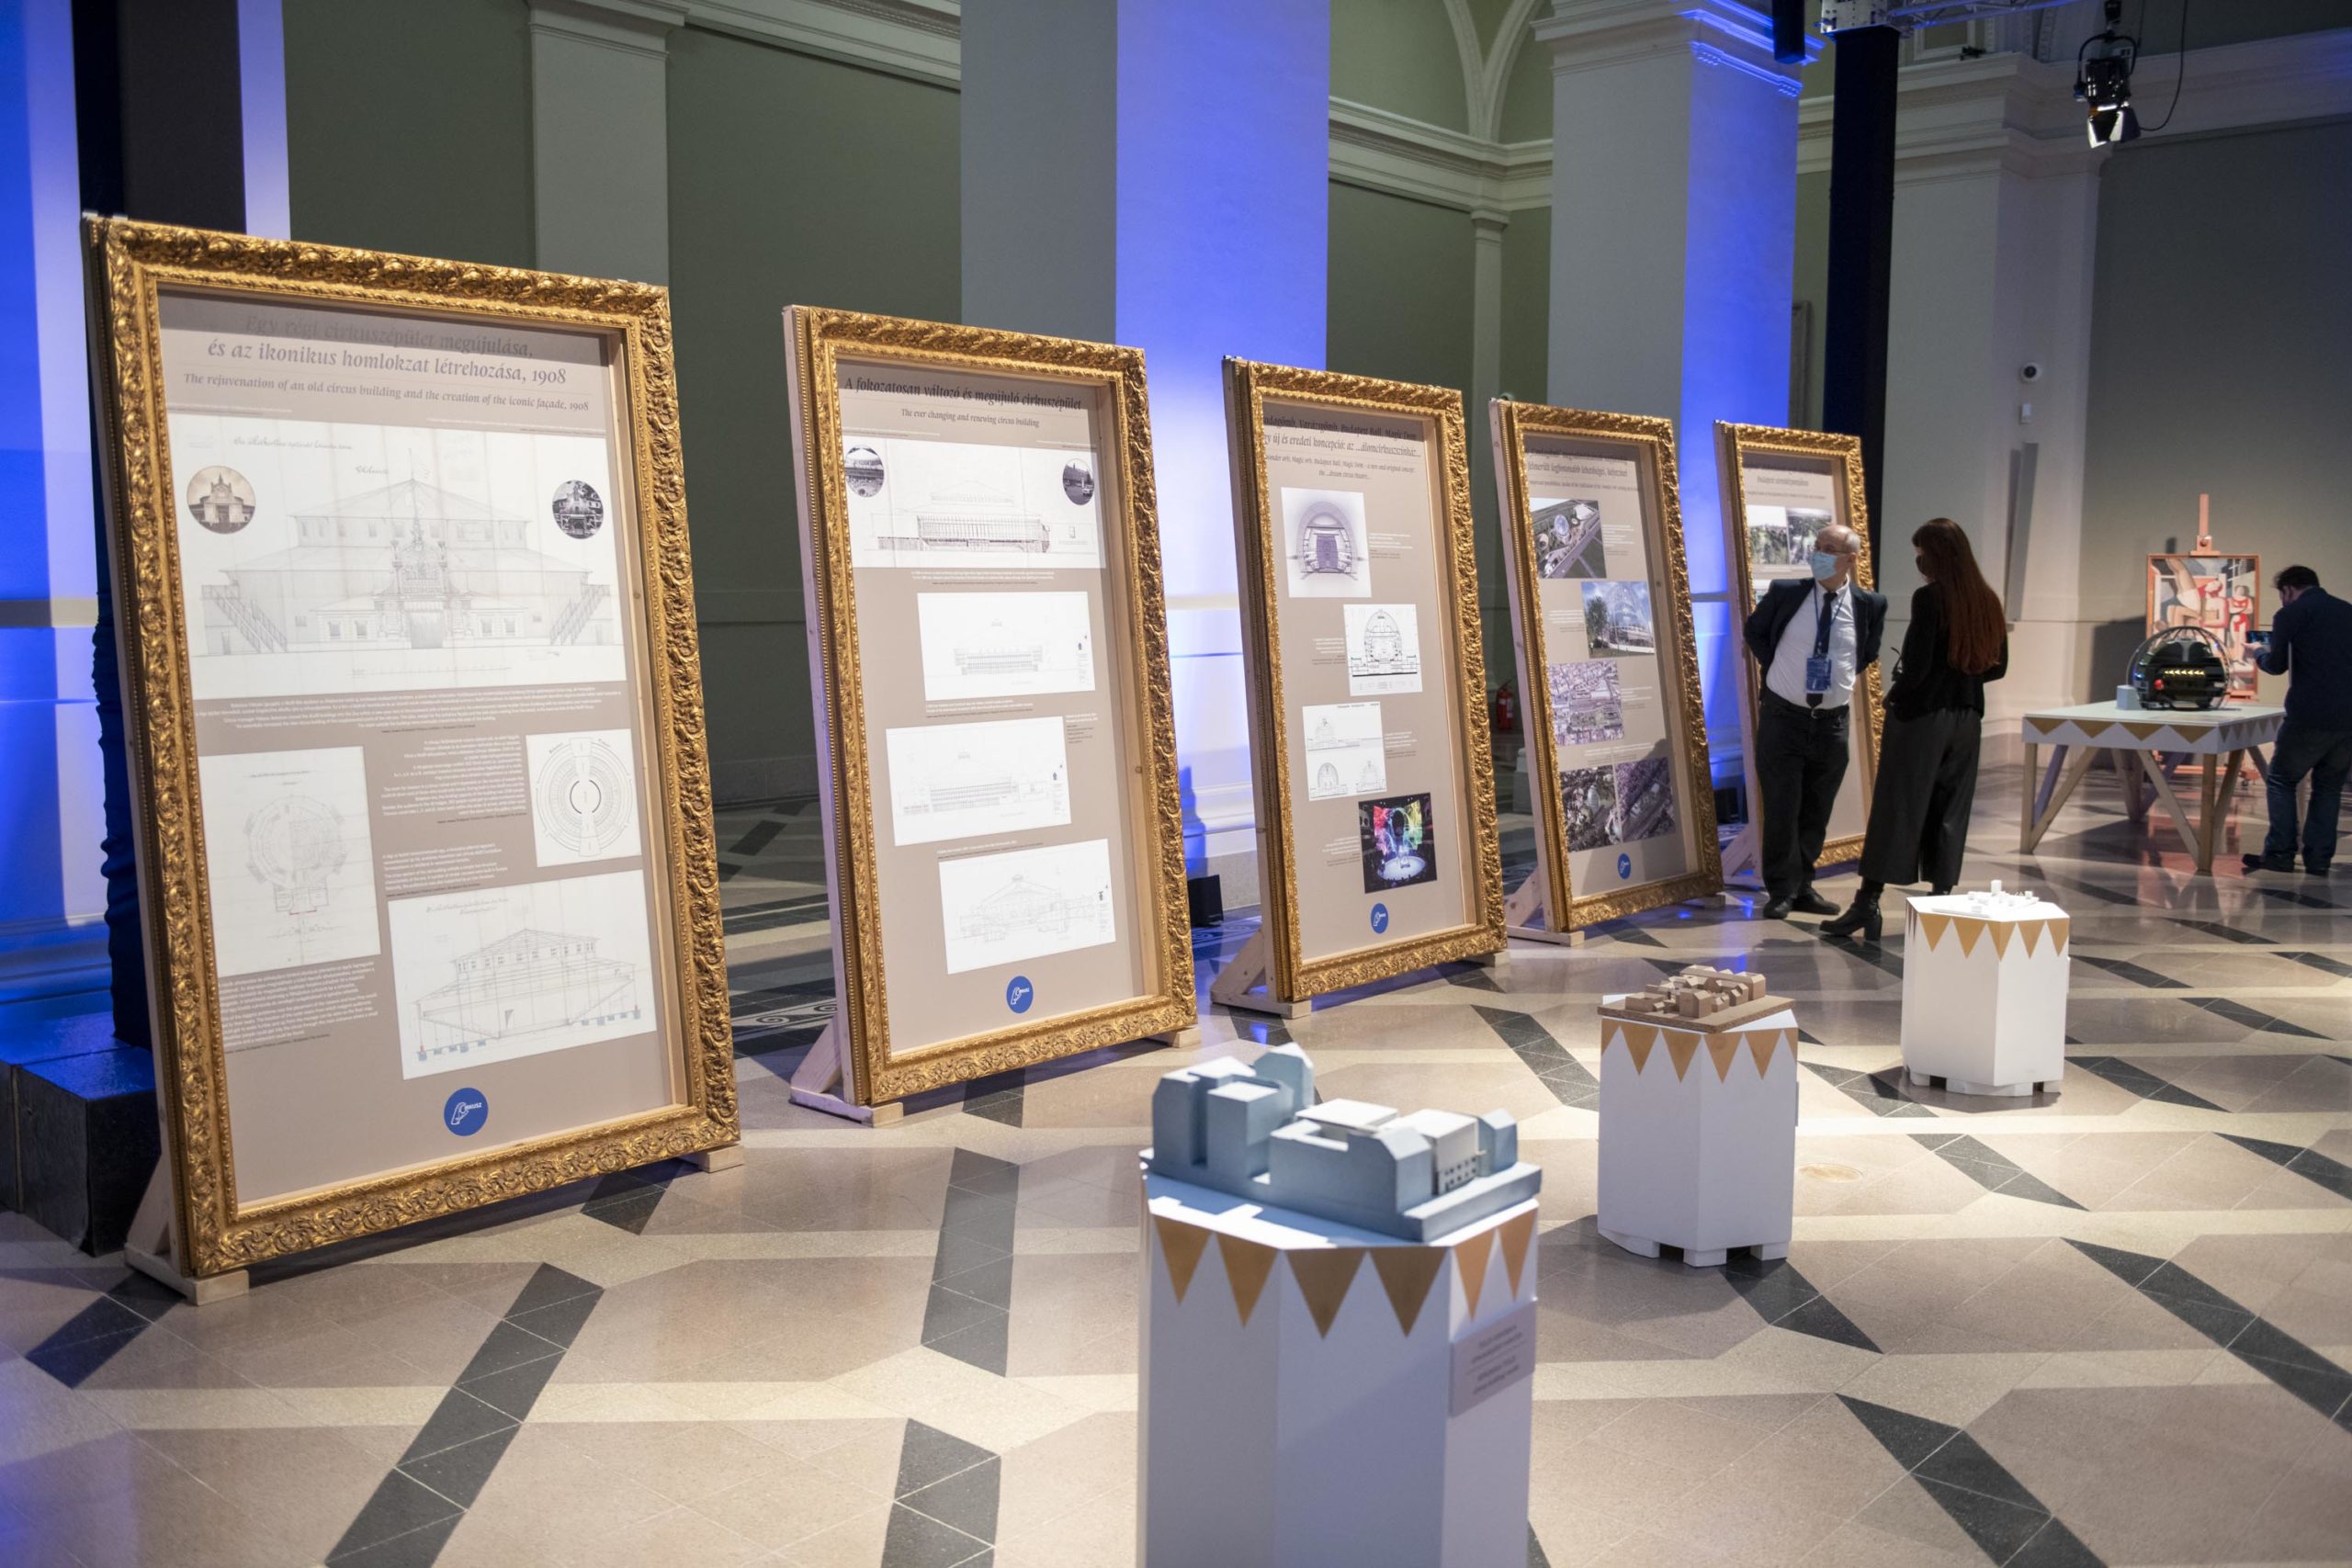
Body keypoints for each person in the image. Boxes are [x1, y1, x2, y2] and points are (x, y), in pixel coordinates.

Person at [1824, 520, 2008, 941]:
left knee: (1897, 808)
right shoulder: (1987, 600)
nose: (1918, 560)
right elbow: (1997, 667)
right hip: (1967, 721)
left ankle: (1867, 905)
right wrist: (1961, 679)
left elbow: (1919, 668)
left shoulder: (1930, 598)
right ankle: (1941, 902)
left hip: (1924, 719)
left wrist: (1895, 698)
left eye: (1921, 551)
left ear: (1936, 554)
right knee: (1950, 812)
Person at [1743, 521, 1886, 919]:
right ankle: (1781, 890)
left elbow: (1866, 653)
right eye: (1817, 545)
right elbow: (1755, 632)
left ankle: (1804, 885)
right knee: (1782, 806)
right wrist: (1777, 671)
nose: (1818, 553)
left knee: (1816, 809)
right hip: (1782, 718)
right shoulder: (1787, 593)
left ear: (1851, 559)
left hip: (1832, 723)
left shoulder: (1869, 605)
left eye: (1829, 548)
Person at [2244, 564, 2352, 874]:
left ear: (2288, 590)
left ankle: (2280, 854)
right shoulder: (2347, 610)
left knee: (2281, 780)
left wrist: (2258, 653)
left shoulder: (2291, 614)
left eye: (2282, 595)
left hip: (2309, 714)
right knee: (2329, 787)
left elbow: (2276, 665)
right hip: (2347, 718)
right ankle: (2319, 860)